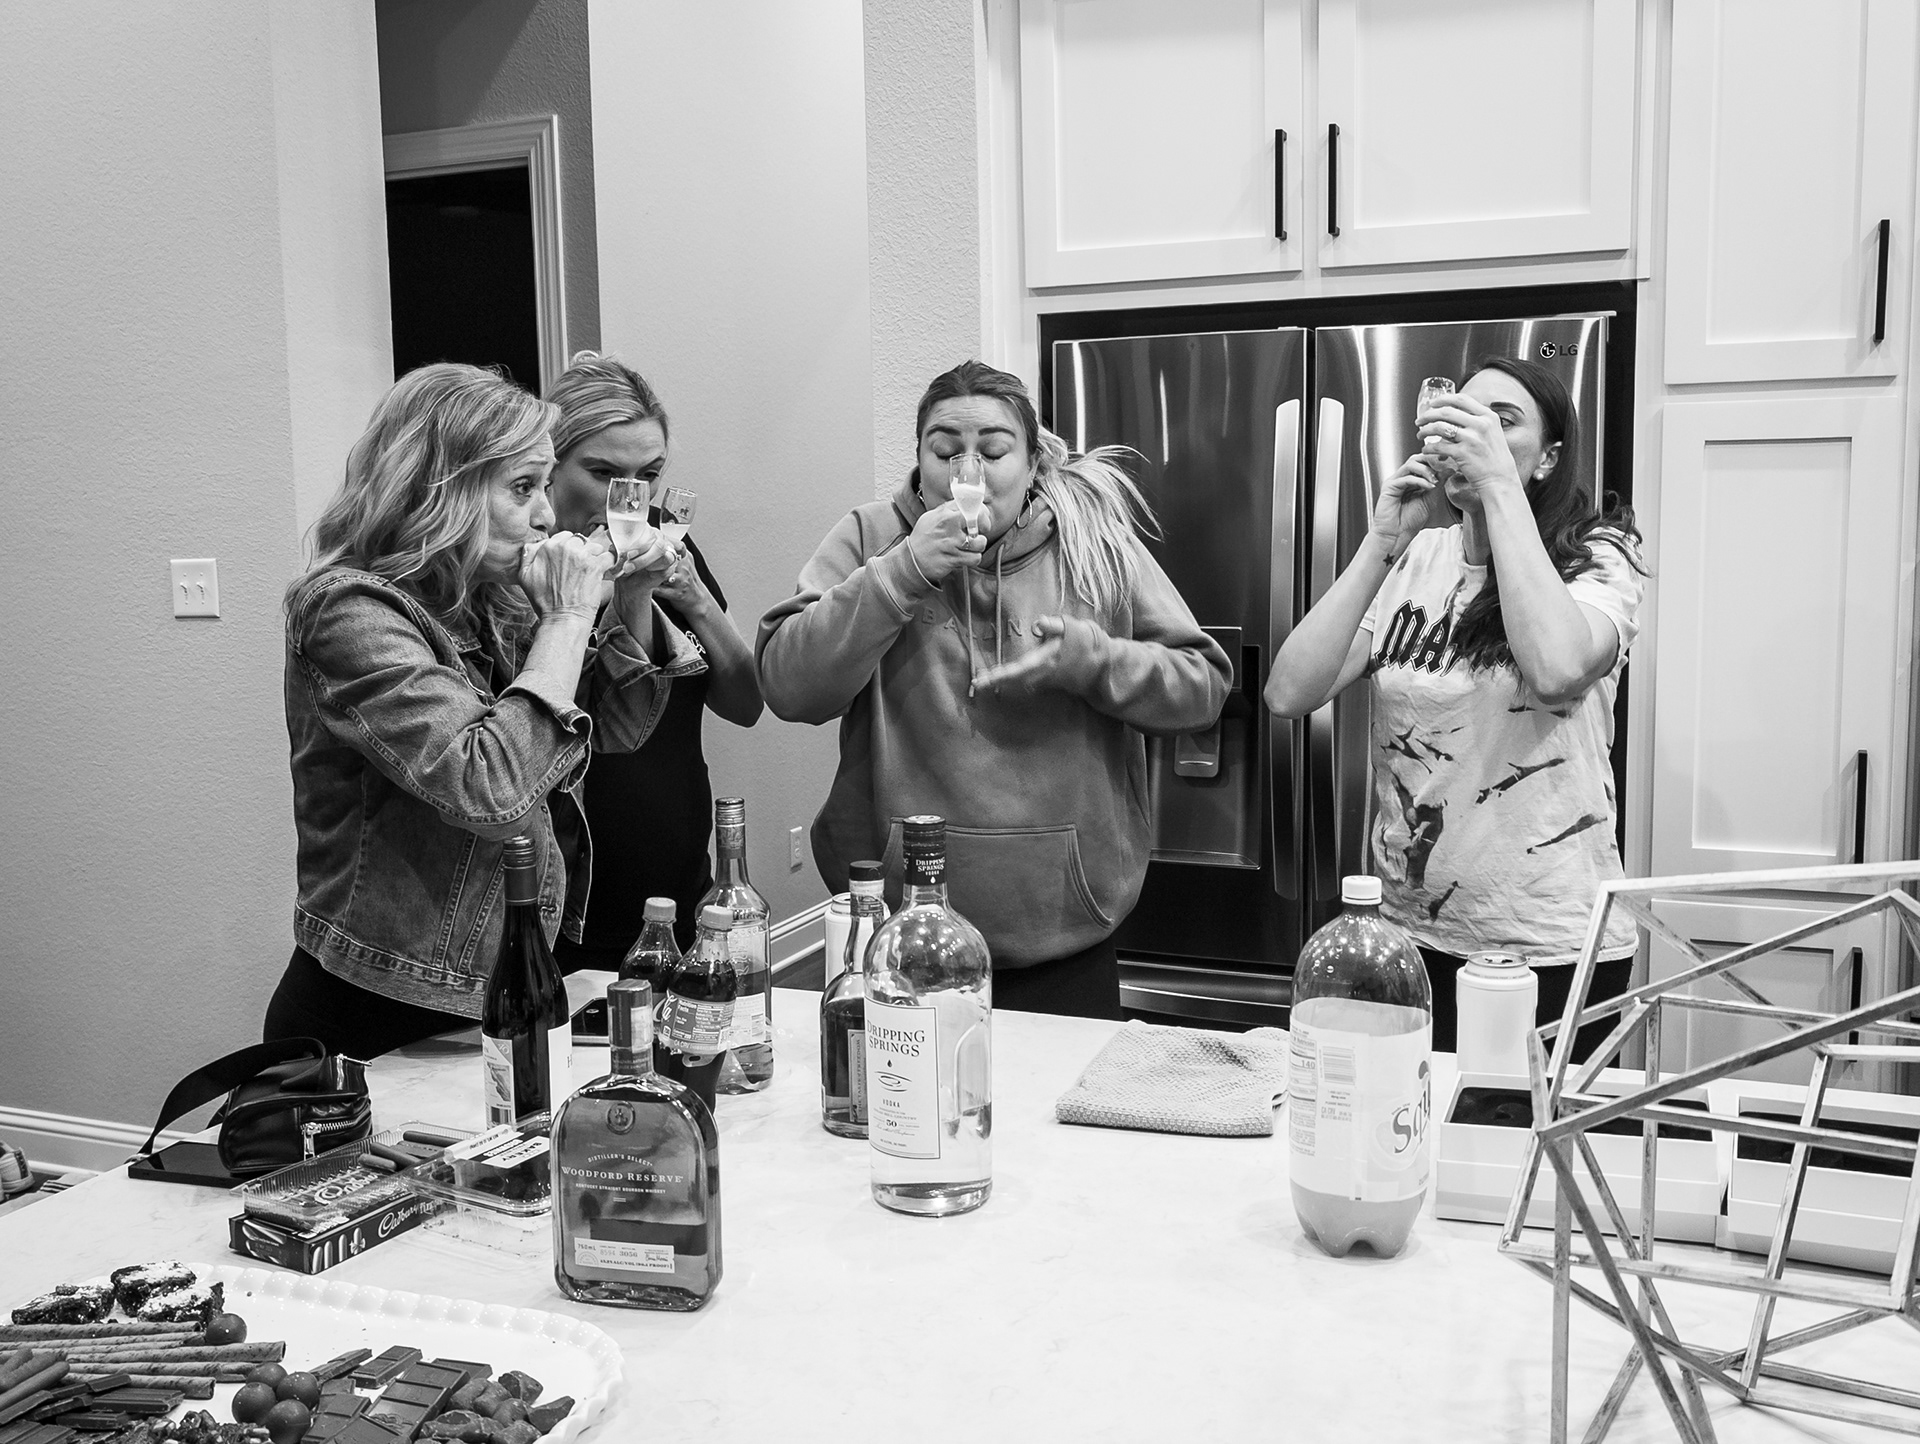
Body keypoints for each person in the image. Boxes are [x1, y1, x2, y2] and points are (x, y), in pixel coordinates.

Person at [758, 360, 1231, 1019]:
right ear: (920, 461)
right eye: (945, 451)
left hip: (1068, 929)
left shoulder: (1094, 544)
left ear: (1033, 463)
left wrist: (1093, 662)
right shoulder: (872, 537)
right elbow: (787, 688)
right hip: (901, 932)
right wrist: (899, 575)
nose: (968, 473)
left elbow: (1203, 686)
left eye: (994, 450)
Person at [268, 362, 703, 1057]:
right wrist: (567, 617)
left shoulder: (492, 595)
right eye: (524, 487)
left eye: (545, 487)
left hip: (508, 978)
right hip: (383, 1002)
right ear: (443, 488)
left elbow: (616, 729)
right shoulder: (349, 609)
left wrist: (631, 594)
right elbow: (488, 791)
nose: (548, 516)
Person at [1265, 356, 1645, 1058]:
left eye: (1503, 422)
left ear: (1548, 457)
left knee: (1530, 1131)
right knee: (1406, 1121)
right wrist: (1382, 544)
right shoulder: (1418, 558)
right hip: (1407, 937)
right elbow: (1289, 692)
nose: (1474, 433)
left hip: (1550, 948)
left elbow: (1557, 669)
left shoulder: (1596, 558)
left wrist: (1497, 485)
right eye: (1464, 416)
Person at [543, 351, 763, 961]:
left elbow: (745, 704)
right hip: (568, 898)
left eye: (649, 474)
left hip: (676, 876)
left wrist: (691, 593)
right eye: (603, 472)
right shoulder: (532, 568)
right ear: (547, 465)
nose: (629, 499)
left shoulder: (666, 539)